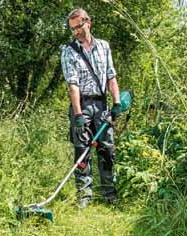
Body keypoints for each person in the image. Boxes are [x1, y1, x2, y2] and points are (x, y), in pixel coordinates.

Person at [61, 8, 121, 208]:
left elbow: (111, 76)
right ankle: (84, 197)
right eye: (72, 29)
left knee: (107, 149)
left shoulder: (104, 46)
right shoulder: (69, 51)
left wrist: (117, 102)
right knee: (82, 151)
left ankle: (109, 195)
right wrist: (78, 114)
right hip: (82, 105)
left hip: (102, 104)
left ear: (88, 22)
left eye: (78, 26)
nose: (76, 31)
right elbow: (73, 84)